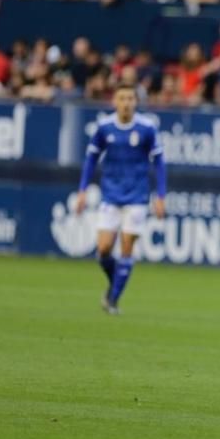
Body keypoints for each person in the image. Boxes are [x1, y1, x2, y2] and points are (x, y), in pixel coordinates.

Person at [75, 84, 167, 315]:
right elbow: (91, 160)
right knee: (104, 248)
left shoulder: (147, 128)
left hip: (137, 196)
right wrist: (82, 190)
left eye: (130, 98)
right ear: (114, 101)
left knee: (127, 248)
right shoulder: (104, 127)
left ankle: (113, 299)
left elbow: (159, 163)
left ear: (136, 102)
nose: (126, 103)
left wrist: (161, 195)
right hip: (110, 194)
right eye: (122, 98)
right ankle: (115, 283)